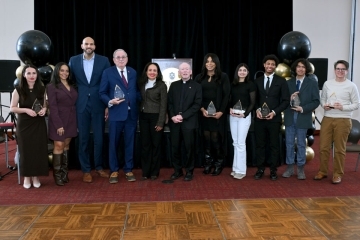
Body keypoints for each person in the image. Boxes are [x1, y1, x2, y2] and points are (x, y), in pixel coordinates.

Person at [69, 37, 111, 183]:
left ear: (95, 46)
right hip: (81, 104)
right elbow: (70, 82)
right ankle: (86, 170)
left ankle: (99, 167)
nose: (89, 46)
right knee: (83, 139)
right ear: (82, 45)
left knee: (99, 138)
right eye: (86, 43)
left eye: (91, 44)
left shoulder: (104, 61)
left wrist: (107, 104)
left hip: (98, 103)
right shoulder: (73, 61)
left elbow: (108, 83)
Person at [314, 60, 360, 184]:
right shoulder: (327, 84)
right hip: (328, 118)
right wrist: (325, 106)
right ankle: (323, 171)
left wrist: (343, 107)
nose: (340, 71)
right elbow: (322, 99)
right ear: (334, 70)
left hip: (343, 120)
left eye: (343, 69)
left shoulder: (351, 86)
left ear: (347, 71)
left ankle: (337, 174)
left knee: (339, 149)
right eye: (338, 69)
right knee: (323, 147)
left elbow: (357, 104)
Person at [99, 49, 140, 184]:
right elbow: (102, 93)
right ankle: (114, 170)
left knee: (130, 143)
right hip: (116, 114)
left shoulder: (132, 72)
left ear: (127, 59)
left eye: (123, 57)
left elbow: (135, 91)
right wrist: (110, 102)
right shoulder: (107, 72)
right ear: (114, 59)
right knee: (113, 144)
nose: (121, 59)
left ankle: (128, 169)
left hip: (131, 114)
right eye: (118, 57)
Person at [10, 64, 49, 189]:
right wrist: (26, 110)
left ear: (37, 75)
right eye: (29, 73)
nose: (32, 76)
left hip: (38, 123)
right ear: (24, 75)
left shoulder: (42, 89)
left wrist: (44, 109)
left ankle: (36, 177)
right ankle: (27, 177)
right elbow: (12, 108)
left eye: (34, 73)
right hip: (24, 124)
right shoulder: (18, 89)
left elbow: (44, 105)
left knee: (38, 150)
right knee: (26, 151)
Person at [254, 54, 290, 180]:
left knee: (274, 145)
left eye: (273, 64)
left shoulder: (281, 81)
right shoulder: (257, 81)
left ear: (275, 66)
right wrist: (257, 110)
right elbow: (254, 100)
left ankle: (273, 170)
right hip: (259, 119)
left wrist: (274, 112)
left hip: (274, 119)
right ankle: (260, 169)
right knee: (260, 145)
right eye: (268, 64)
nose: (270, 66)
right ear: (264, 65)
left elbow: (286, 101)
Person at [282, 58, 320, 180]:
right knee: (289, 144)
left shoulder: (312, 83)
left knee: (301, 144)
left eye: (303, 67)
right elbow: (281, 101)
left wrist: (303, 108)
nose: (300, 68)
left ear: (306, 69)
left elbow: (316, 101)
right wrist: (289, 99)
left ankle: (300, 169)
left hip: (303, 116)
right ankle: (289, 168)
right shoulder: (288, 83)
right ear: (295, 68)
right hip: (289, 117)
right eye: (298, 66)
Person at [194, 53, 230, 176]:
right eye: (207, 61)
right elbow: (196, 96)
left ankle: (219, 164)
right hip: (203, 113)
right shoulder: (199, 77)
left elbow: (226, 96)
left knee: (216, 139)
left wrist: (221, 112)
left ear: (216, 63)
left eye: (212, 61)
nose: (209, 63)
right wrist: (202, 109)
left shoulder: (223, 77)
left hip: (218, 114)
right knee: (206, 138)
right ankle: (208, 163)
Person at [168, 62, 202, 181]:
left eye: (187, 69)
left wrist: (183, 116)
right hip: (175, 122)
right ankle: (177, 171)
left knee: (189, 148)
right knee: (175, 147)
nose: (185, 71)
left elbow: (197, 105)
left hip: (189, 122)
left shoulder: (197, 86)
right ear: (179, 72)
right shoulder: (173, 85)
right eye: (182, 69)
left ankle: (189, 171)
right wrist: (172, 116)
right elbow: (169, 103)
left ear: (191, 71)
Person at [47, 62, 78, 186]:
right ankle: (57, 175)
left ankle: (65, 174)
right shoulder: (51, 86)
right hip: (58, 119)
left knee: (66, 145)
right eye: (62, 70)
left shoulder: (72, 85)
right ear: (57, 72)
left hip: (71, 119)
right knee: (59, 145)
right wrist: (58, 124)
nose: (65, 73)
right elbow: (52, 108)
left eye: (67, 71)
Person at [138, 62, 167, 180]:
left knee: (156, 145)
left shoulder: (162, 85)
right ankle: (146, 172)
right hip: (143, 117)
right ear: (146, 71)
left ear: (158, 73)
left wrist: (161, 122)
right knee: (145, 145)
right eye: (150, 70)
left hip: (156, 117)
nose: (152, 72)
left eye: (155, 70)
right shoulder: (141, 84)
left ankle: (154, 172)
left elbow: (163, 105)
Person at [229, 63, 256, 179]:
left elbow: (253, 102)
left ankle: (241, 170)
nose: (242, 72)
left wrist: (245, 114)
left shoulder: (250, 85)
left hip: (244, 116)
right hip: (233, 115)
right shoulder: (233, 84)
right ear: (237, 72)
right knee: (235, 142)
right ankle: (235, 168)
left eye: (245, 70)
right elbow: (229, 99)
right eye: (240, 70)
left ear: (247, 72)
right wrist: (229, 109)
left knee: (241, 143)